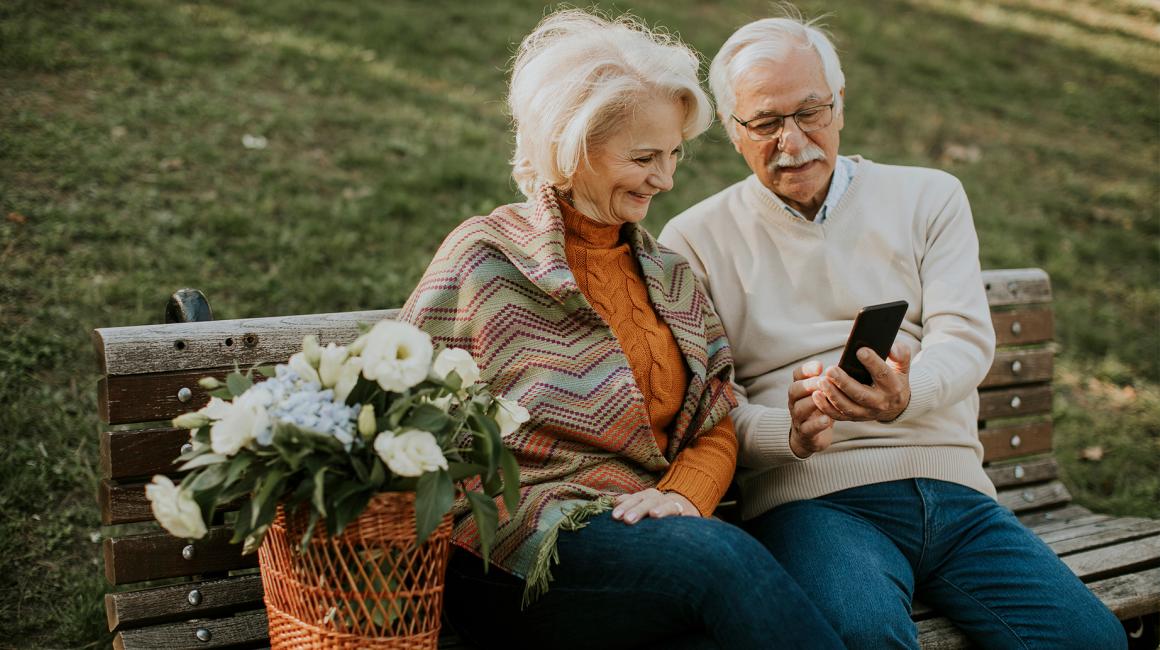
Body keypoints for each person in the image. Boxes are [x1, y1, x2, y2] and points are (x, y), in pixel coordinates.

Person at [658, 12, 1127, 650]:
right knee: (861, 636)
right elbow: (707, 407)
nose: (793, 142)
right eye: (765, 123)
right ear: (734, 132)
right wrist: (787, 433)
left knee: (1090, 641)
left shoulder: (930, 196)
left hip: (957, 495)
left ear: (840, 104)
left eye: (811, 111)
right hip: (814, 503)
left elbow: (963, 338)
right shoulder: (693, 239)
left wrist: (910, 392)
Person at [399, 9, 842, 650]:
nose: (665, 179)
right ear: (574, 145)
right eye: (643, 157)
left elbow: (714, 424)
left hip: (646, 544)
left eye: (673, 156)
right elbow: (402, 409)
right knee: (723, 562)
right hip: (510, 554)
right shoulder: (486, 255)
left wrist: (686, 500)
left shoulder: (670, 275)